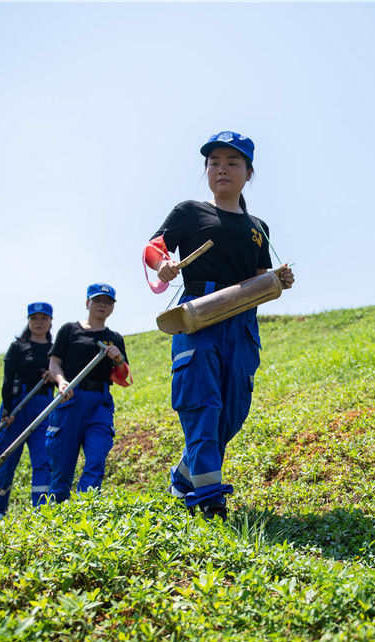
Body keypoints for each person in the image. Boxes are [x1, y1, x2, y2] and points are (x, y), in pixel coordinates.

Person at [143, 130, 295, 520]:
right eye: (214, 163)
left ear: (248, 172)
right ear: (206, 170)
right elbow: (154, 246)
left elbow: (261, 280)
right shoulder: (190, 212)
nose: (221, 169)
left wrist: (278, 281)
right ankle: (209, 499)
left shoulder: (257, 227)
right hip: (199, 316)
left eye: (232, 163)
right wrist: (163, 263)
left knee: (232, 409)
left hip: (242, 324)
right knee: (202, 402)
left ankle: (183, 475)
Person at [45, 283, 131, 503]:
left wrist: (118, 358)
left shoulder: (115, 338)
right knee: (62, 466)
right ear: (87, 303)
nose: (103, 305)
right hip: (70, 400)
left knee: (96, 457)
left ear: (112, 307)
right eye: (98, 301)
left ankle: (86, 507)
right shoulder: (69, 330)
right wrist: (62, 382)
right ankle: (57, 513)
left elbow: (123, 377)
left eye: (108, 302)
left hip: (99, 404)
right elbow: (54, 364)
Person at [0, 302, 56, 519]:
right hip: (17, 406)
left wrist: (52, 377)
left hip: (43, 406)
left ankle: (42, 510)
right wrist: (7, 410)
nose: (39, 322)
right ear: (28, 320)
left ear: (51, 321)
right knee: (5, 458)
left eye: (44, 318)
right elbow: (7, 380)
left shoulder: (55, 350)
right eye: (35, 318)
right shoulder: (18, 347)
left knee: (44, 459)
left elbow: (63, 377)